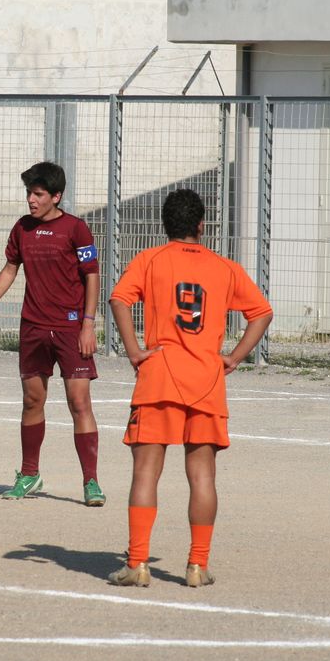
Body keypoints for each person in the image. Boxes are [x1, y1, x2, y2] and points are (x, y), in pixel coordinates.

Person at [106, 188, 272, 588]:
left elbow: (118, 299)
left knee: (146, 472)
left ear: (165, 225)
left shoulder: (150, 260)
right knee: (202, 477)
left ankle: (138, 563)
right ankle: (197, 565)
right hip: (206, 381)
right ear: (201, 225)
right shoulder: (224, 267)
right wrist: (234, 357)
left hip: (159, 376)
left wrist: (134, 351)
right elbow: (262, 313)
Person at [0, 162, 106, 507]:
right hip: (33, 327)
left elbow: (92, 275)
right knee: (32, 401)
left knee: (79, 402)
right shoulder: (22, 228)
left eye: (38, 194)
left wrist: (88, 323)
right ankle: (29, 474)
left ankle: (91, 481)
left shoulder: (76, 229)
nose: (31, 199)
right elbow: (10, 269)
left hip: (71, 328)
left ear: (56, 196)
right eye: (29, 193)